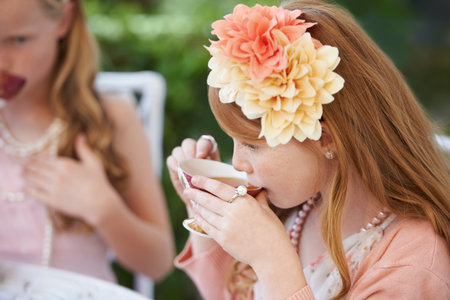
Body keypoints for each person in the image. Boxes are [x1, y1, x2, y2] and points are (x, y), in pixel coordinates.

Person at [166, 1, 450, 299]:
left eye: (252, 144)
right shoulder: (299, 210)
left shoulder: (410, 266)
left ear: (325, 139)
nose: (238, 164)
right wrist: (204, 211)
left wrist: (272, 260)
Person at [0, 0, 174, 282]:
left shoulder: (112, 119)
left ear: (64, 19)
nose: (2, 62)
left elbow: (158, 262)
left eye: (19, 40)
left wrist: (103, 208)